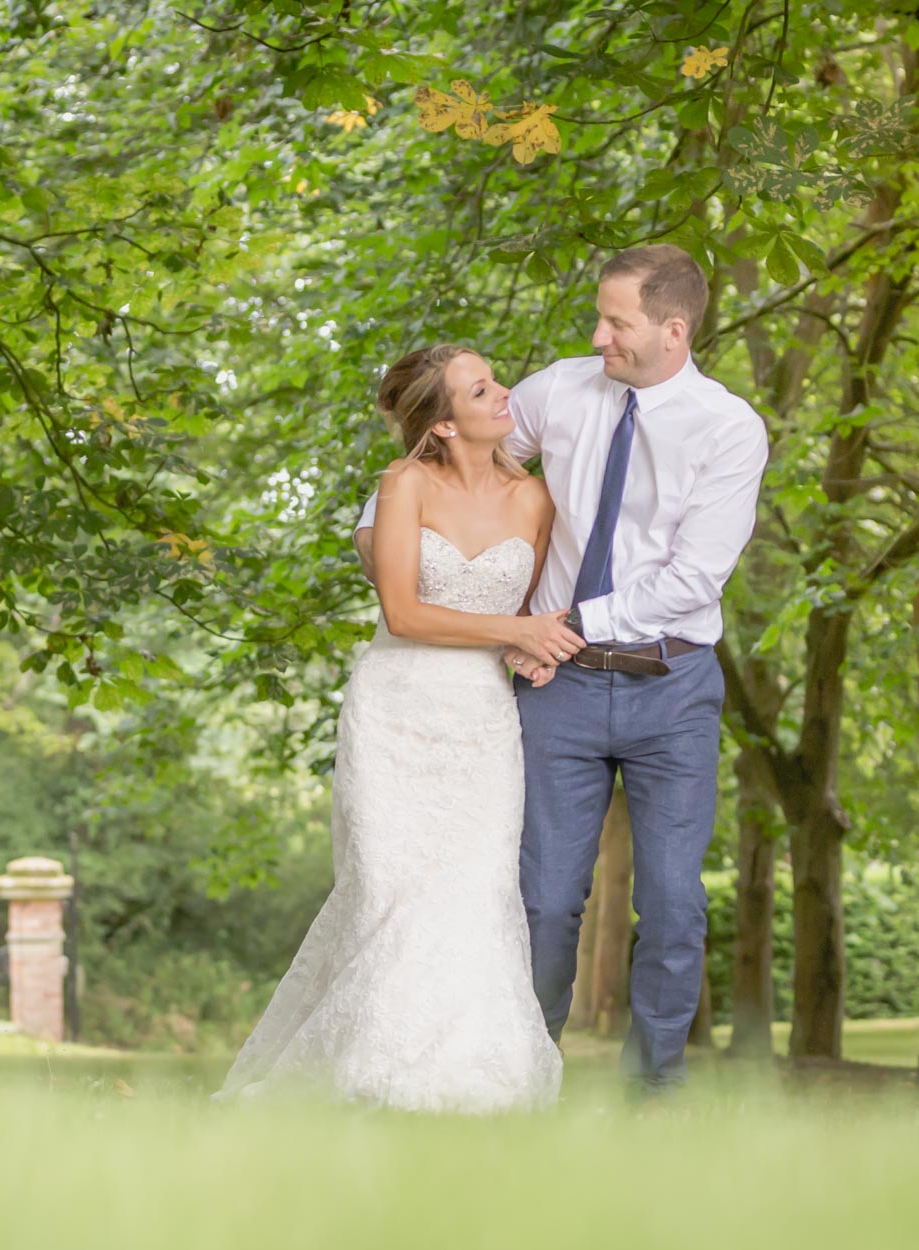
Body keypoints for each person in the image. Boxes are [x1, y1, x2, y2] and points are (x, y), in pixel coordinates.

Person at [355, 244, 768, 1097]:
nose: (599, 334)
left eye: (616, 321)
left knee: (673, 904)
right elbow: (443, 453)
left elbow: (692, 580)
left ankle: (652, 1096)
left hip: (673, 687)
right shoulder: (564, 389)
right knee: (541, 901)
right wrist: (382, 527)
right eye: (601, 316)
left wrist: (551, 626)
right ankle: (521, 1075)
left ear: (672, 329)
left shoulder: (729, 430)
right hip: (557, 690)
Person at [216, 344, 571, 1113]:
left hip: (482, 721)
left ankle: (476, 1078)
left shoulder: (536, 501)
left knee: (477, 891)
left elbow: (527, 620)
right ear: (444, 425)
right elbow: (404, 613)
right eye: (482, 390)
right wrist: (517, 630)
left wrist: (532, 646)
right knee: (387, 886)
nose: (504, 393)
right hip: (396, 712)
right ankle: (365, 1068)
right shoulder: (404, 484)